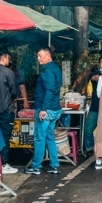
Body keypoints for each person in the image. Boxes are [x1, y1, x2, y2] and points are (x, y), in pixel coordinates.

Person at [26, 47, 62, 175]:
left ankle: (36, 166)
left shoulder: (47, 71)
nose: (38, 58)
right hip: (55, 109)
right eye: (37, 56)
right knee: (49, 137)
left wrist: (43, 109)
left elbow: (49, 90)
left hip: (47, 110)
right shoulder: (56, 69)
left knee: (39, 138)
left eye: (40, 55)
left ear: (48, 56)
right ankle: (54, 165)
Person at [83, 56, 102, 154]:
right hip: (95, 108)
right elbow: (94, 78)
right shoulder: (95, 74)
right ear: (99, 64)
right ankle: (90, 148)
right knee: (88, 129)